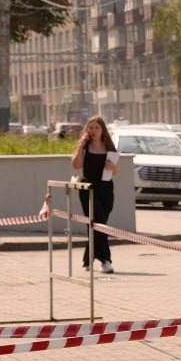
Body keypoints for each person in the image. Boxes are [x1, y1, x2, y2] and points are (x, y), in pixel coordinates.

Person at [70, 116, 119, 274]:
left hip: (106, 190)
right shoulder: (85, 147)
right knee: (98, 224)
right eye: (90, 128)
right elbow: (76, 165)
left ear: (102, 130)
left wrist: (112, 167)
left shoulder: (109, 148)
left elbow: (117, 171)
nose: (93, 131)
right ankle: (106, 261)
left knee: (97, 225)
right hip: (88, 189)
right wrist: (81, 146)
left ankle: (87, 261)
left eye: (96, 128)